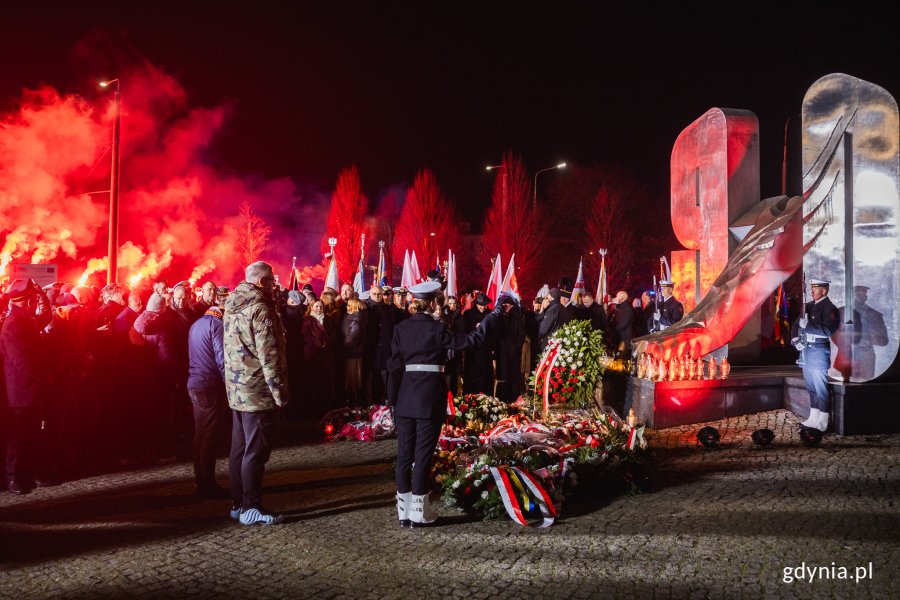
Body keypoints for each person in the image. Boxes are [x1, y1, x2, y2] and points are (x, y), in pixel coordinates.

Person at [387, 281, 500, 527]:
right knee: (423, 453)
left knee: (404, 454)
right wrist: (493, 316)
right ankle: (419, 510)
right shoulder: (437, 329)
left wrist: (392, 401)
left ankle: (403, 510)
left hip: (405, 396)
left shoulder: (400, 329)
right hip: (429, 395)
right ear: (432, 304)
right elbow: (471, 341)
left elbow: (393, 367)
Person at [224, 261, 288, 525]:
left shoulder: (232, 305)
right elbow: (269, 356)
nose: (274, 285)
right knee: (255, 451)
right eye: (272, 280)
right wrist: (279, 394)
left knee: (239, 448)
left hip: (238, 389)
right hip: (258, 392)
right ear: (262, 281)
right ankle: (251, 506)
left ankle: (239, 503)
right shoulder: (260, 308)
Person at [0, 279, 53, 494]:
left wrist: (42, 296)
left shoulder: (24, 319)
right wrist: (43, 378)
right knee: (17, 437)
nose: (34, 303)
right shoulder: (13, 324)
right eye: (32, 298)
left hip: (30, 389)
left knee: (31, 434)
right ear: (26, 301)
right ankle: (12, 477)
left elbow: (45, 317)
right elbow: (22, 362)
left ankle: (27, 473)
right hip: (20, 392)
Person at [187, 288, 229, 498]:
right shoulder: (216, 325)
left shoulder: (196, 324)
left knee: (200, 433)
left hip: (195, 382)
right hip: (209, 384)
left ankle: (200, 480)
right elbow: (222, 357)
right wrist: (228, 382)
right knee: (210, 435)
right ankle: (207, 484)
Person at [791, 278, 840, 432]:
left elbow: (828, 331)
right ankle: (813, 418)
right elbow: (795, 325)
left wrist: (808, 326)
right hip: (806, 352)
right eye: (811, 288)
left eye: (815, 288)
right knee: (811, 387)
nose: (811, 291)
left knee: (821, 389)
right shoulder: (808, 306)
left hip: (818, 353)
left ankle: (823, 421)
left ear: (824, 291)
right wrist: (795, 340)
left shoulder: (830, 308)